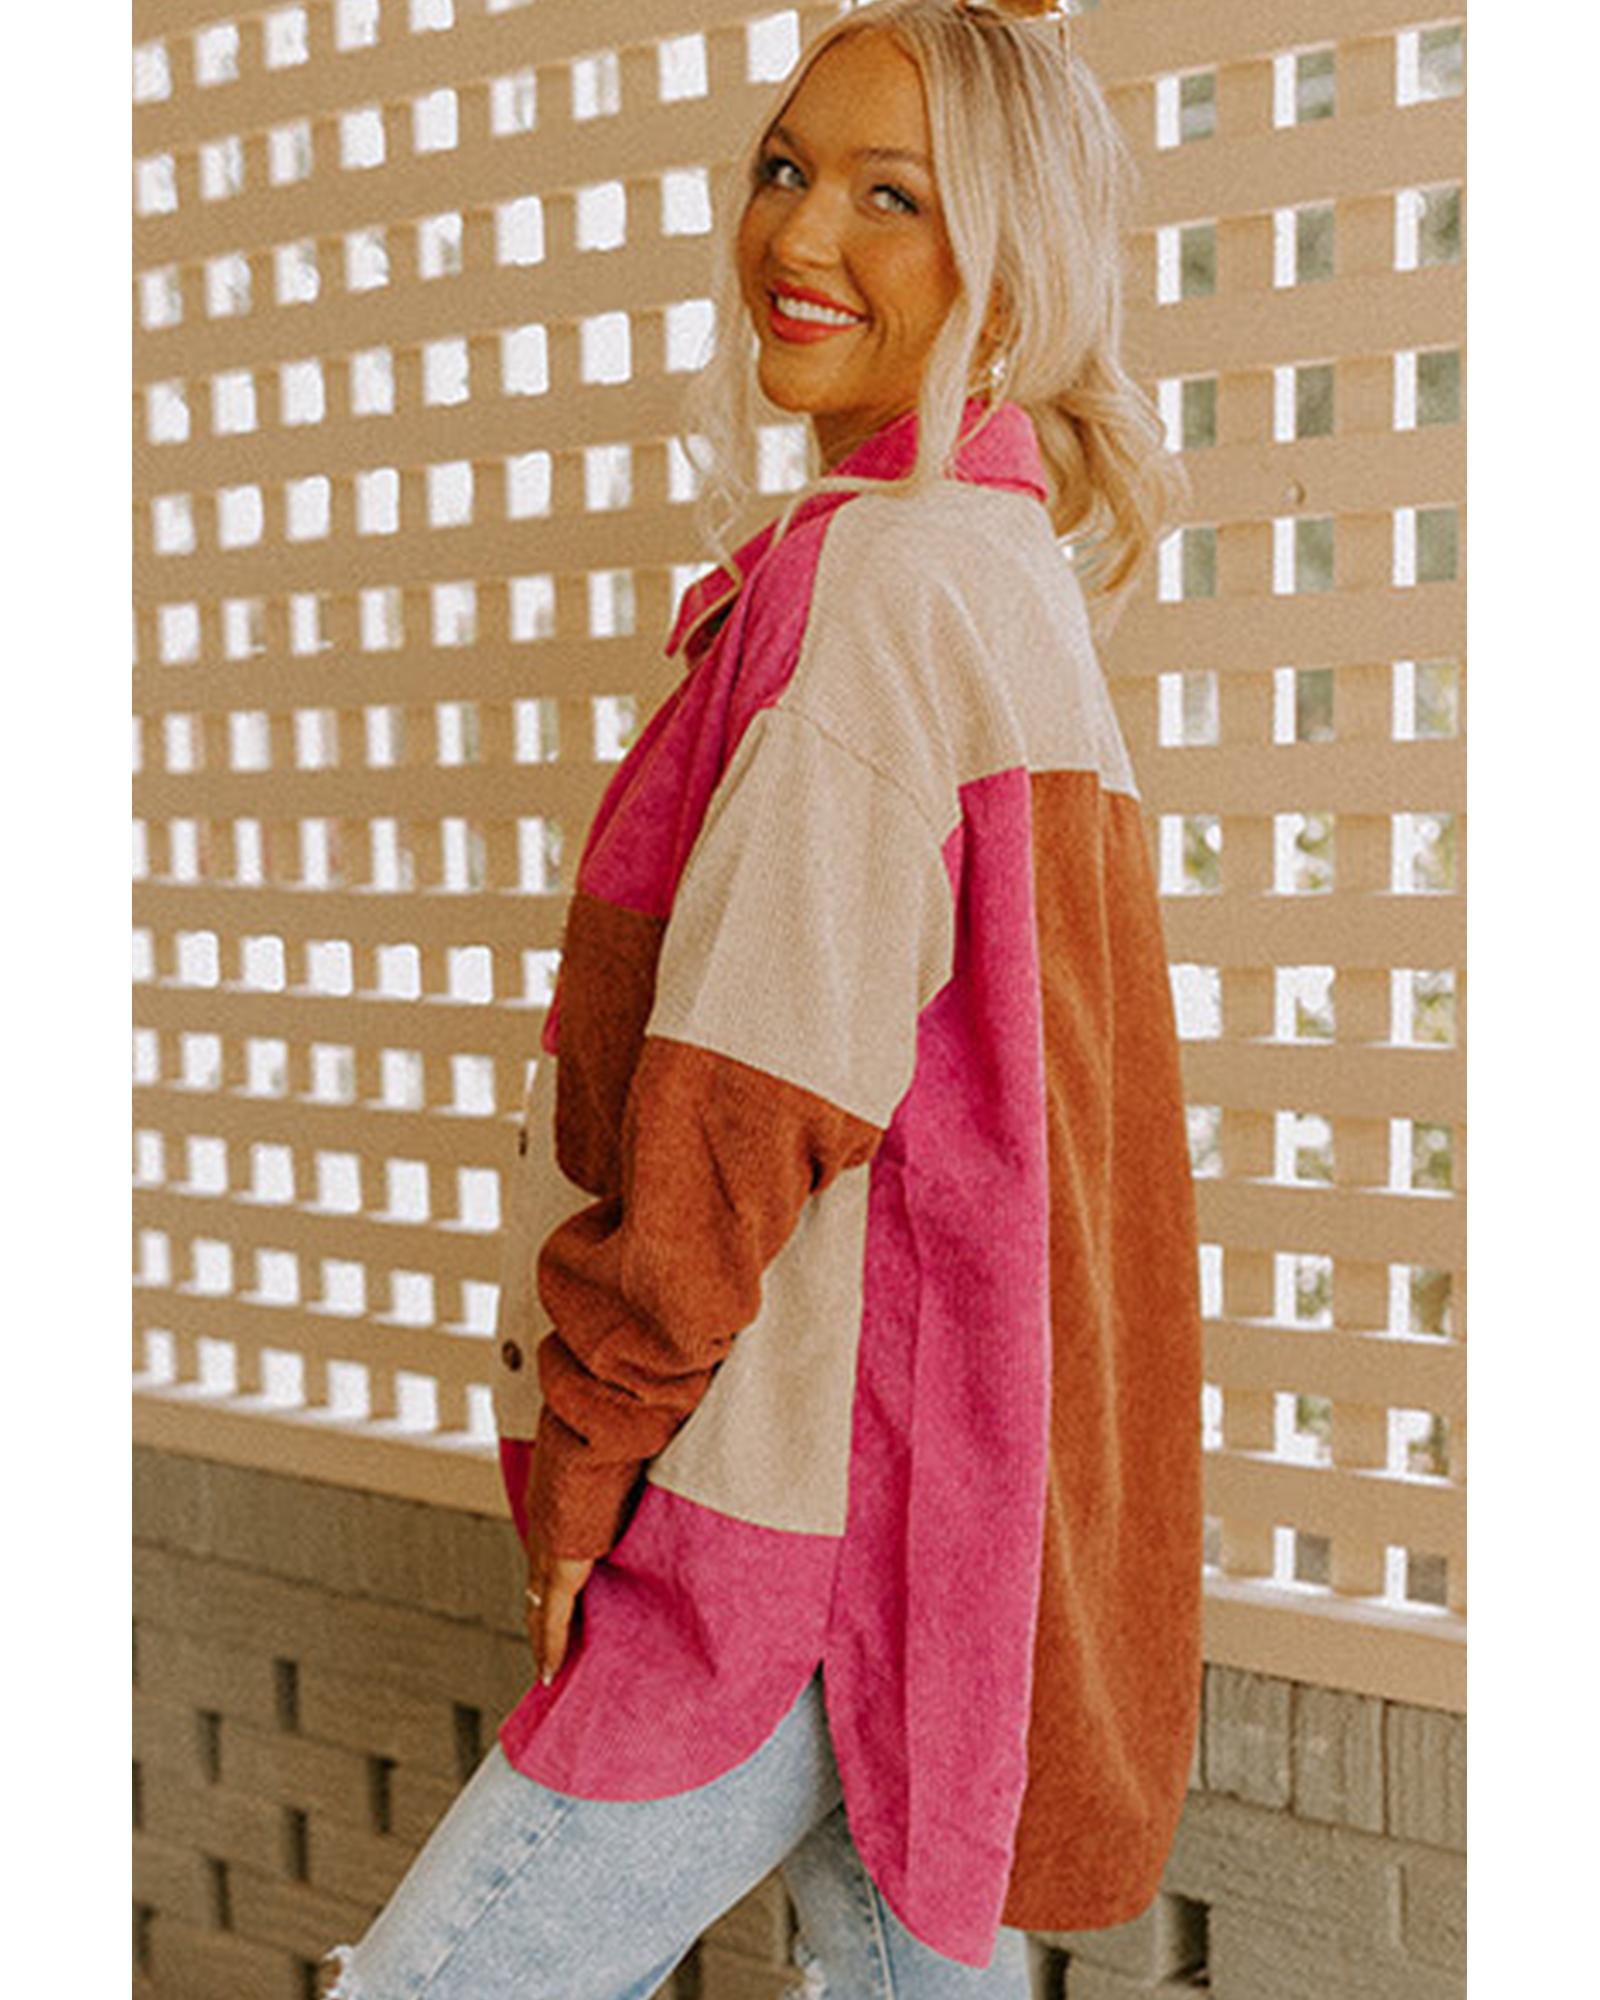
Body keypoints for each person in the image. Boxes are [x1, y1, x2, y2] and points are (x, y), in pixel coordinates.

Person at [320, 1, 1202, 1994]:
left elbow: (746, 1093)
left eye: (893, 196)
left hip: (787, 1501)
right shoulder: (1001, 576)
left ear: (1010, 261)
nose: (798, 236)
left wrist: (591, 1456)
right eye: (786, 171)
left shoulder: (878, 589)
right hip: (952, 1519)